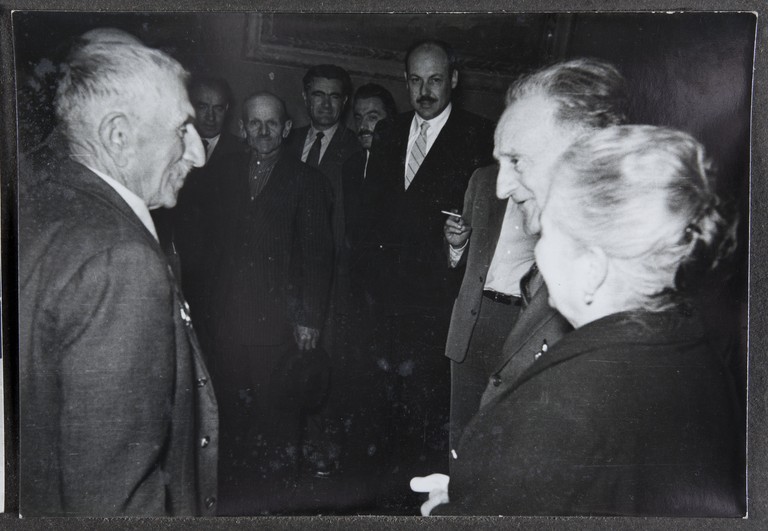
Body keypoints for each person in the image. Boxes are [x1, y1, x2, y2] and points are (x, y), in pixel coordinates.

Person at [430, 125, 745, 516]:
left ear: (592, 267)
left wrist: (446, 512)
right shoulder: (703, 361)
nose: (537, 255)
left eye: (547, 234)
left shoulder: (560, 404)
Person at [18, 36, 217, 516]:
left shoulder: (37, 199)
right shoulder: (123, 263)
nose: (198, 154)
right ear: (118, 137)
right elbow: (116, 502)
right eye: (182, 128)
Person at [442, 58, 628, 448]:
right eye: (501, 162)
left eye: (518, 161)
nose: (502, 186)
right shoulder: (484, 184)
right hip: (477, 317)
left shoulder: (599, 269)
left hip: (517, 318)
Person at [353, 39, 494, 510]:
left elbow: (484, 234)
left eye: (435, 80)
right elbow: (370, 219)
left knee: (423, 422)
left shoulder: (479, 136)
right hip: (382, 308)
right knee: (378, 419)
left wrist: (459, 245)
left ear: (453, 79)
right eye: (416, 80)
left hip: (436, 309)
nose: (425, 91)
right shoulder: (390, 130)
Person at [207, 92, 334, 515]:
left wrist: (309, 318)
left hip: (278, 325)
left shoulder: (307, 180)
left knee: (277, 420)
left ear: (286, 128)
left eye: (272, 123)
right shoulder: (223, 173)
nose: (263, 131)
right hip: (227, 322)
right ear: (243, 128)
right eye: (254, 123)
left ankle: (274, 510)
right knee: (230, 417)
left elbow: (317, 255)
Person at [151, 76, 245, 355]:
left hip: (223, 274)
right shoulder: (171, 148)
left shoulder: (243, 151)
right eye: (203, 107)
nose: (211, 116)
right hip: (177, 263)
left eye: (218, 108)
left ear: (228, 109)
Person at [343, 82, 397, 239]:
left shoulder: (404, 164)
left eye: (372, 118)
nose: (363, 126)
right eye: (358, 118)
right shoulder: (351, 166)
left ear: (391, 119)